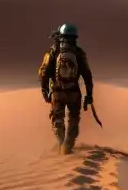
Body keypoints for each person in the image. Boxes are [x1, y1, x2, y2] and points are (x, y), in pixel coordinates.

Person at [38, 23, 94, 154]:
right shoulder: (79, 53)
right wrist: (89, 95)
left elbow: (44, 73)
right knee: (73, 119)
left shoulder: (52, 52)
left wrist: (44, 90)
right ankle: (68, 146)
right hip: (74, 93)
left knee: (58, 119)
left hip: (57, 92)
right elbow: (87, 76)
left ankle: (61, 144)